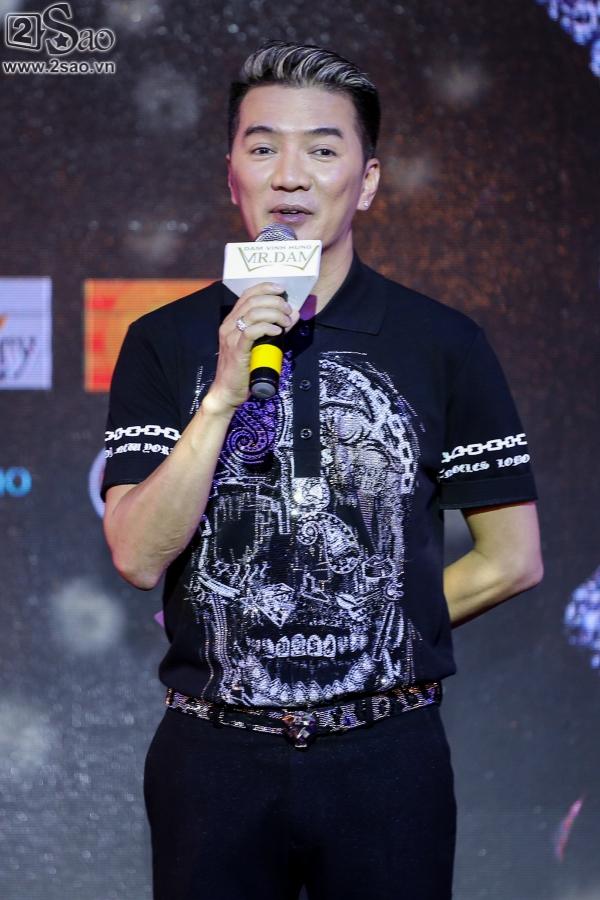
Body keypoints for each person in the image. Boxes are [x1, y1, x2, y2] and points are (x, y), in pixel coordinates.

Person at [101, 40, 543, 900]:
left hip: (385, 758)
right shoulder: (164, 341)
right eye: (264, 147)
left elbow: (512, 559)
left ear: (367, 182)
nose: (291, 176)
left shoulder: (442, 342)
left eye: (323, 149)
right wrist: (222, 397)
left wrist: (361, 630)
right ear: (232, 175)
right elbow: (137, 555)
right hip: (212, 758)